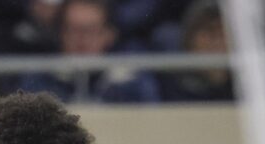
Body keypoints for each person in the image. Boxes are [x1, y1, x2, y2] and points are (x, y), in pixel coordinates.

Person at [19, 0, 160, 104]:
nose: (81, 39)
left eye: (90, 30)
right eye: (73, 29)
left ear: (108, 34)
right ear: (60, 33)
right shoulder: (41, 77)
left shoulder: (131, 78)